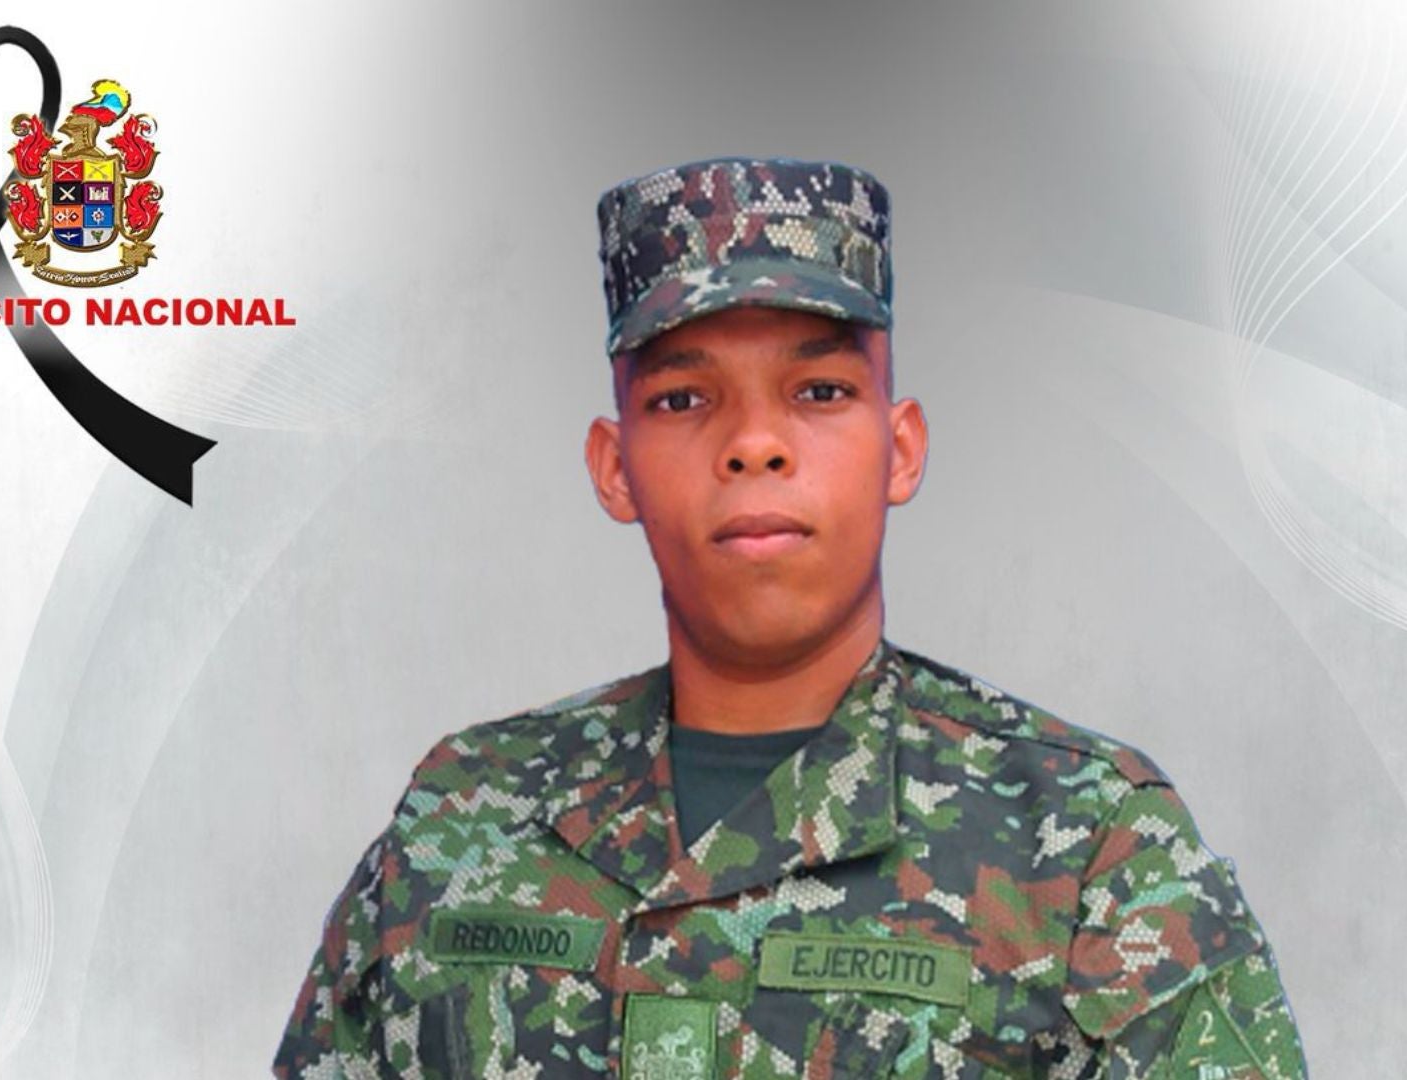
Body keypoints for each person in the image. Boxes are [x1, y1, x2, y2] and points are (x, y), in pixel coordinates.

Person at [272, 156, 1307, 1079]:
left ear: (901, 449)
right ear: (614, 466)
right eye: (683, 400)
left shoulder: (1088, 845)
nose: (755, 443)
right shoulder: (461, 819)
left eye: (817, 392)